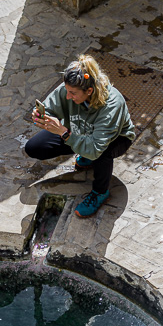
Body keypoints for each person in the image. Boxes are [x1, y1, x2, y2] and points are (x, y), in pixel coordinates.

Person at [25, 54, 136, 217]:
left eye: (72, 93)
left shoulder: (112, 104)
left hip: (115, 139)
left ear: (89, 91)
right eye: (66, 90)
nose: (67, 96)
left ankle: (100, 193)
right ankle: (85, 154)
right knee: (34, 147)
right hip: (78, 131)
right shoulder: (70, 87)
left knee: (100, 153)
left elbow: (96, 147)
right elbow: (50, 107)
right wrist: (43, 115)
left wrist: (63, 132)